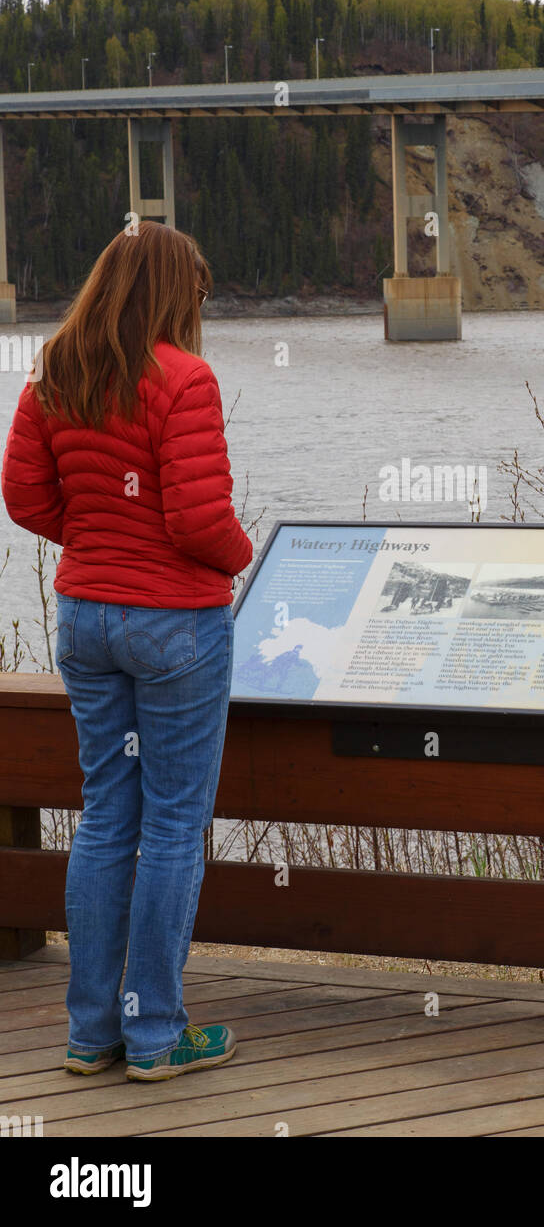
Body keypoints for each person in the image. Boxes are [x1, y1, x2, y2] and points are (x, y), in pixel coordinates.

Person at [0, 220, 253, 1082]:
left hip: (85, 620)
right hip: (174, 622)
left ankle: (91, 1033)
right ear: (176, 293)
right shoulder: (184, 378)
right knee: (175, 824)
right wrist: (241, 556)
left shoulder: (56, 370)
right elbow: (199, 521)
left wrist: (98, 535)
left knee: (107, 814)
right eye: (200, 292)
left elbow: (23, 495)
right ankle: (154, 1037)